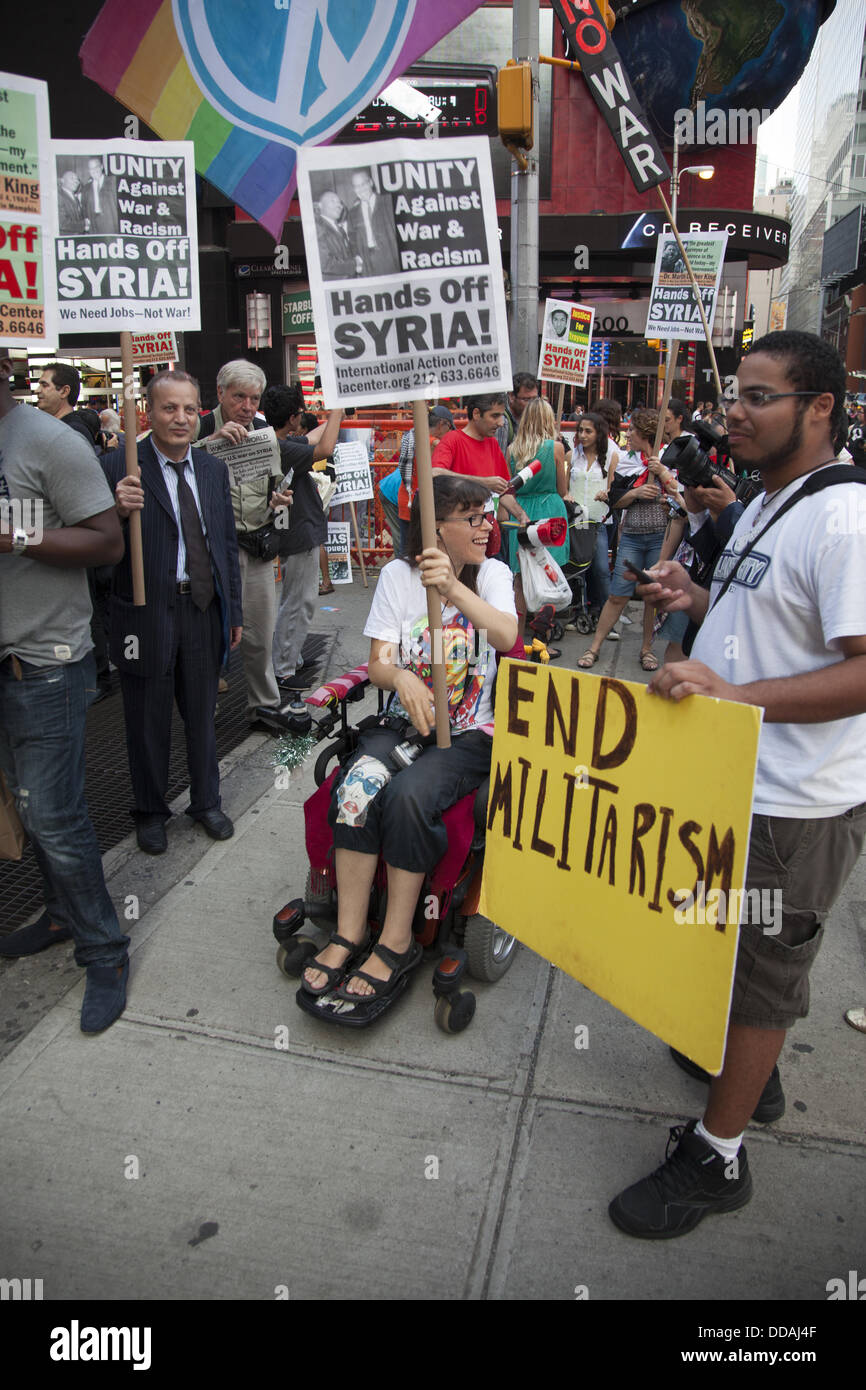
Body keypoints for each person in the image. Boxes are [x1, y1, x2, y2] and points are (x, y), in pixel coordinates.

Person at [609, 330, 866, 1239]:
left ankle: (717, 1158)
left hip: (793, 807)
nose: (735, 414)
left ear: (821, 406)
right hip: (728, 787)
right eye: (737, 396)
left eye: (760, 397)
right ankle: (750, 1073)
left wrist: (734, 695)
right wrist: (694, 599)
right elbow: (771, 623)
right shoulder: (767, 504)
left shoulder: (845, 518)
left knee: (761, 976)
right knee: (724, 949)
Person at [301, 474, 518, 1001]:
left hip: (471, 733)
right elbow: (378, 662)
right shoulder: (398, 578)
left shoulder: (492, 573)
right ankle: (350, 931)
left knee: (409, 796)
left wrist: (452, 587)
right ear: (435, 530)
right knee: (356, 787)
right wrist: (399, 676)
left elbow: (508, 637)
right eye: (472, 518)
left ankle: (396, 942)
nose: (486, 526)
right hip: (403, 723)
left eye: (486, 515)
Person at [0, 350, 130, 1033]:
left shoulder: (48, 441)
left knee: (54, 813)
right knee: (25, 807)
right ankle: (57, 915)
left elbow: (107, 540)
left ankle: (105, 949)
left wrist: (15, 537)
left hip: (46, 661)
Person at [104, 371, 243, 855]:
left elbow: (225, 544)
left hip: (203, 609)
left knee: (203, 715)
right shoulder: (121, 468)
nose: (180, 418)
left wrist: (234, 611)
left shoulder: (211, 469)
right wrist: (117, 512)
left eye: (188, 409)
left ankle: (206, 801)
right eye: (169, 408)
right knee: (146, 720)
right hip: (143, 614)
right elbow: (98, 550)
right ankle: (149, 811)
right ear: (149, 411)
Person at [196, 361, 341, 726]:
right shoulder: (200, 426)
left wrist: (275, 499)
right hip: (212, 549)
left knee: (259, 629)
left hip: (257, 544)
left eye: (253, 398)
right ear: (220, 394)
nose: (246, 405)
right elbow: (170, 465)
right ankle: (204, 701)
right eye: (239, 397)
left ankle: (262, 704)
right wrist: (209, 443)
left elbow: (275, 478)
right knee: (211, 631)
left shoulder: (262, 431)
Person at [577, 407, 677, 672]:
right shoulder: (624, 460)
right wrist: (636, 493)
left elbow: (681, 497)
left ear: (645, 433)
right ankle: (594, 646)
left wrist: (663, 474)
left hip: (660, 538)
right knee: (618, 594)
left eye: (631, 429)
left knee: (652, 597)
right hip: (631, 537)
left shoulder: (669, 459)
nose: (627, 434)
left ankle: (647, 649)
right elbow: (615, 500)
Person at [262, 384, 343, 690]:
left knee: (294, 600)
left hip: (295, 530)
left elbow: (313, 438)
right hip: (299, 533)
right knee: (298, 603)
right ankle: (284, 668)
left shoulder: (276, 441)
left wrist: (339, 411)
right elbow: (323, 449)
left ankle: (290, 658)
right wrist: (336, 410)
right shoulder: (281, 448)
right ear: (293, 418)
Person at [431, 392, 528, 556]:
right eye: (495, 416)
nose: (501, 422)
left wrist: (521, 515)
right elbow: (435, 474)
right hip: (459, 539)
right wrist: (483, 482)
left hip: (487, 535)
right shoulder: (452, 440)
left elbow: (503, 489)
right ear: (476, 414)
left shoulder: (492, 444)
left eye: (502, 416)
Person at [504, 397, 569, 633]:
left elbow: (508, 488)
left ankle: (517, 639)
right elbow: (562, 491)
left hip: (520, 512)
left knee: (520, 580)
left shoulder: (512, 450)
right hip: (550, 510)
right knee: (550, 574)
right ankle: (544, 638)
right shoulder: (556, 448)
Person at [564, 410, 614, 616]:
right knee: (577, 568)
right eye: (580, 431)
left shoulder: (611, 458)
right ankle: (578, 612)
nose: (583, 435)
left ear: (598, 433)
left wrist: (607, 493)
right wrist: (566, 494)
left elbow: (614, 489)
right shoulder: (571, 456)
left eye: (588, 431)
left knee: (602, 568)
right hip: (576, 519)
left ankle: (607, 614)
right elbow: (563, 485)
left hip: (598, 520)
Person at [396, 404, 455, 556]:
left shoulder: (412, 436)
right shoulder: (434, 444)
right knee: (423, 553)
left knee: (408, 553)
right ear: (442, 424)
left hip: (406, 499)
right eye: (449, 428)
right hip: (422, 505)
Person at [347, 169, 400, 277]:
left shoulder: (389, 201)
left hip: (391, 257)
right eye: (357, 186)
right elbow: (352, 240)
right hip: (367, 262)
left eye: (364, 184)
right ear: (353, 189)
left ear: (371, 182)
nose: (361, 189)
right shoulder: (352, 214)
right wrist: (357, 256)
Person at [496, 372, 539, 456]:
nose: (532, 404)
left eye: (535, 399)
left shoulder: (531, 421)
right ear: (511, 396)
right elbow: (499, 460)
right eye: (526, 399)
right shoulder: (503, 423)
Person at [315, 190, 355, 280]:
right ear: (320, 205)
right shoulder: (317, 227)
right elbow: (325, 263)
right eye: (332, 201)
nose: (339, 206)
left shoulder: (340, 229)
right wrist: (354, 265)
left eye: (340, 203)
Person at [82, 156, 119, 234]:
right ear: (89, 171)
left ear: (101, 167)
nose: (94, 170)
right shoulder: (86, 188)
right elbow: (84, 207)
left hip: (111, 222)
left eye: (96, 167)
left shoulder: (113, 181)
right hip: (93, 224)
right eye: (91, 168)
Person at [57, 168, 86, 234]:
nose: (76, 181)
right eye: (72, 178)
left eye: (77, 179)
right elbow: (62, 223)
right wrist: (83, 224)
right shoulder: (59, 196)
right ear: (62, 180)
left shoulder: (75, 198)